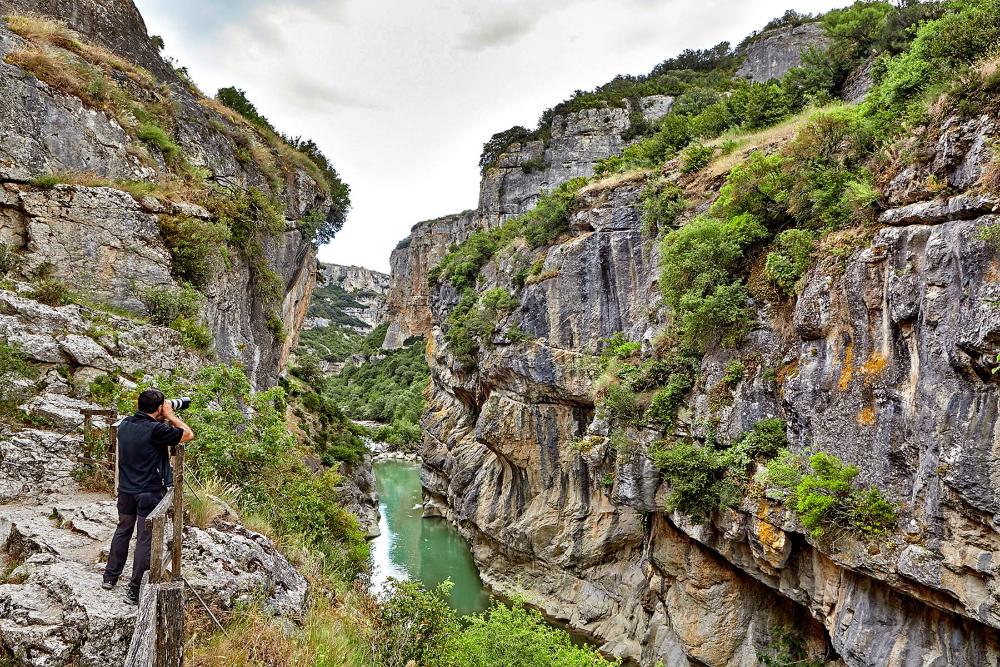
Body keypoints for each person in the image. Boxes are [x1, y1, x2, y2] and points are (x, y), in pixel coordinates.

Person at [102, 388, 194, 605]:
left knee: (123, 530)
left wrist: (161, 415)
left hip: (126, 491)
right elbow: (188, 435)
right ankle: (135, 590)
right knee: (145, 540)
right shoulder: (156, 430)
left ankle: (110, 577)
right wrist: (171, 416)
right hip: (148, 493)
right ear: (160, 408)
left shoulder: (125, 424)